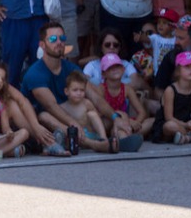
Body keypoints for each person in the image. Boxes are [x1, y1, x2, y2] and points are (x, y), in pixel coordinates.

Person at [21, 22, 141, 154]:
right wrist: (73, 123)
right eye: (53, 39)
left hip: (70, 117)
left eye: (62, 38)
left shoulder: (70, 68)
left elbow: (95, 97)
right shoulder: (35, 73)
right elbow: (51, 106)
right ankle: (95, 144)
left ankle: (120, 139)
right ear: (42, 45)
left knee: (117, 115)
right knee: (45, 116)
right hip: (47, 125)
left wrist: (114, 117)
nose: (59, 42)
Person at [50, 72, 111, 151]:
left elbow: (97, 119)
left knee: (92, 114)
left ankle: (103, 139)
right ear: (66, 91)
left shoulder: (86, 103)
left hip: (90, 135)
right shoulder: (62, 107)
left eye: (82, 90)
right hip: (74, 138)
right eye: (75, 90)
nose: (79, 93)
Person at [153, 14, 191, 99]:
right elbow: (158, 91)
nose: (176, 42)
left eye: (181, 38)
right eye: (175, 37)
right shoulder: (171, 57)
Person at [99, 53, 154, 139]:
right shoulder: (101, 89)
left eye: (117, 66)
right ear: (103, 74)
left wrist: (135, 123)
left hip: (127, 122)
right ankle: (126, 137)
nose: (115, 69)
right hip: (110, 123)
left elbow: (141, 112)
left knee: (152, 121)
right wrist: (122, 117)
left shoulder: (127, 89)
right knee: (118, 130)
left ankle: (128, 135)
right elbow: (99, 113)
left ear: (123, 69)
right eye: (110, 68)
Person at [81, 28, 147, 95]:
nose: (111, 47)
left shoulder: (126, 65)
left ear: (120, 48)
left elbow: (135, 83)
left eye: (115, 45)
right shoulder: (91, 65)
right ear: (101, 47)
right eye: (107, 45)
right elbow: (83, 84)